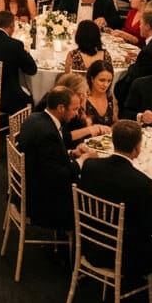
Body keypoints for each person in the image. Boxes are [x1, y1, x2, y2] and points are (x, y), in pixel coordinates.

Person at [79, 121, 152, 278]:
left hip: (89, 244)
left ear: (113, 142)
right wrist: (151, 197)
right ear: (137, 149)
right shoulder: (142, 182)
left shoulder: (90, 166)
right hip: (124, 257)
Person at [17, 86, 91, 230]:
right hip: (42, 202)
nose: (76, 114)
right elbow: (58, 175)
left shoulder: (36, 117)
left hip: (30, 184)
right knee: (92, 195)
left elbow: (47, 158)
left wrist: (72, 153)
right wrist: (82, 161)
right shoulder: (48, 133)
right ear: (61, 108)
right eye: (75, 109)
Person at [84, 61, 119, 132]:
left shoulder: (110, 97)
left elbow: (115, 121)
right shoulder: (84, 98)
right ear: (92, 79)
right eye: (102, 80)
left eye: (109, 81)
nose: (106, 85)